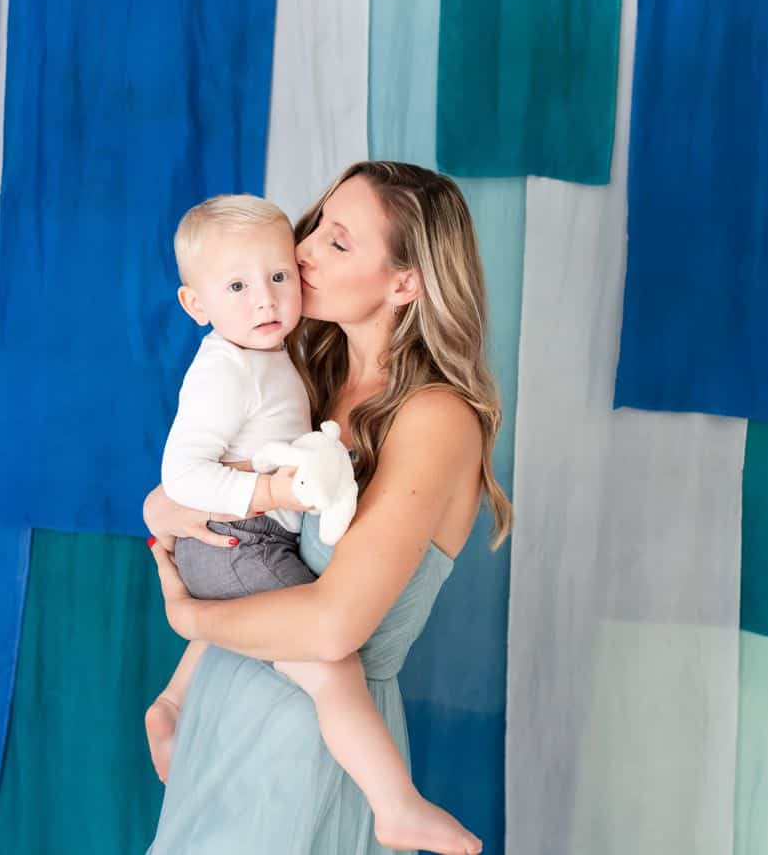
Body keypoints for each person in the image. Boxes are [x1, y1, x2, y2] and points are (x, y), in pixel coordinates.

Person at [145, 162, 512, 854]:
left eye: (337, 242)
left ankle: (394, 804)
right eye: (314, 227)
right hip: (225, 711)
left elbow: (328, 623)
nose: (303, 249)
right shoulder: (302, 379)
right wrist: (174, 697)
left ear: (405, 282)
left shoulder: (433, 419)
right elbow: (246, 550)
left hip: (311, 747)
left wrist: (188, 614)